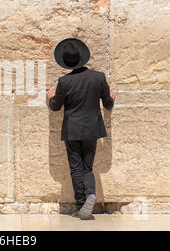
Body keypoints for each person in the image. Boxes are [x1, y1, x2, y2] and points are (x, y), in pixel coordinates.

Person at [47, 38, 115, 220]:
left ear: (66, 62)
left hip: (72, 130)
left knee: (76, 167)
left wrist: (50, 97)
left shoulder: (64, 82)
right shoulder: (98, 77)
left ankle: (81, 203)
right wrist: (112, 98)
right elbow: (108, 104)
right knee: (87, 167)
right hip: (92, 129)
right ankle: (91, 193)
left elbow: (55, 106)